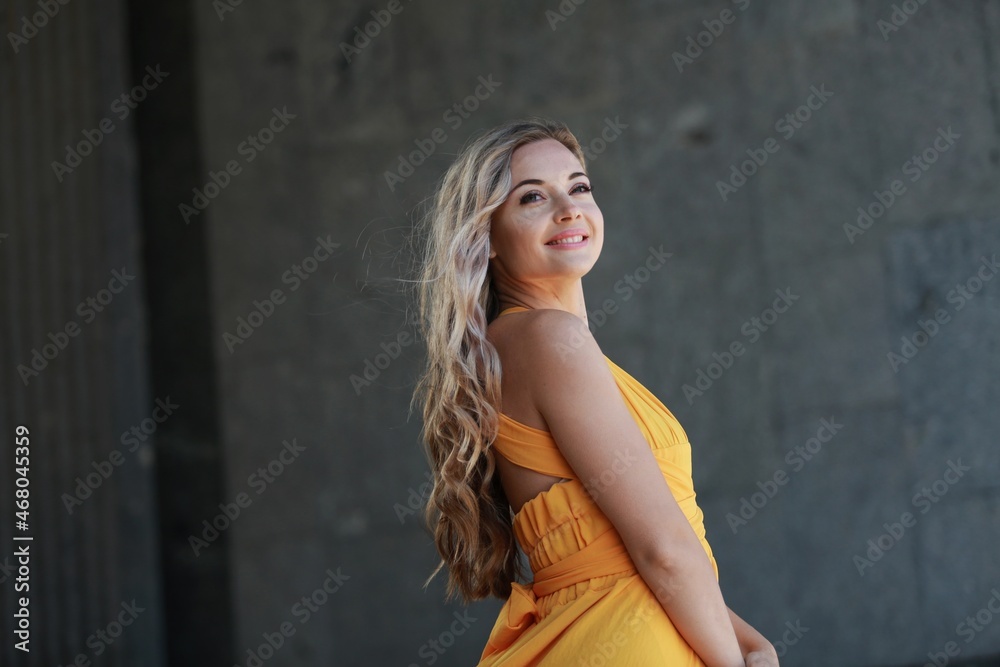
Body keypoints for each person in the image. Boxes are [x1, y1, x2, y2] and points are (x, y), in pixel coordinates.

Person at [408, 117, 778, 666]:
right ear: (485, 236)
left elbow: (629, 552)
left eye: (579, 186)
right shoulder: (550, 339)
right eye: (532, 197)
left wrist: (751, 643)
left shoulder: (517, 345)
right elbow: (663, 552)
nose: (569, 208)